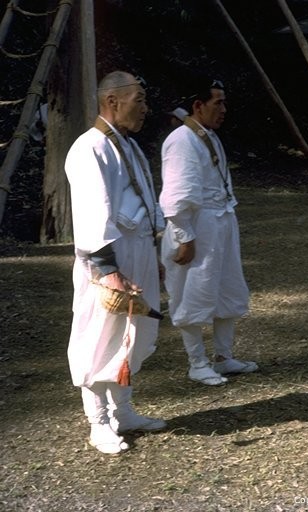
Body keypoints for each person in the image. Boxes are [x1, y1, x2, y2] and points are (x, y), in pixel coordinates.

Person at [65, 71, 166, 455]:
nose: (145, 108)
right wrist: (107, 270)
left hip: (137, 251)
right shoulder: (89, 148)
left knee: (132, 334)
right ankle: (99, 422)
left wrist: (153, 253)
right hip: (108, 260)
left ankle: (123, 411)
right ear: (112, 101)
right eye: (139, 100)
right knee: (99, 337)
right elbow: (92, 210)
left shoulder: (129, 146)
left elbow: (143, 203)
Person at [159, 77, 256, 386]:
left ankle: (224, 357)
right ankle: (197, 362)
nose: (223, 110)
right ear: (198, 106)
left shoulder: (208, 136)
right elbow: (177, 195)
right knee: (193, 292)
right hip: (197, 226)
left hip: (220, 221)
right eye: (218, 103)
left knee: (227, 287)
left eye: (224, 103)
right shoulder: (181, 141)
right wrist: (185, 237)